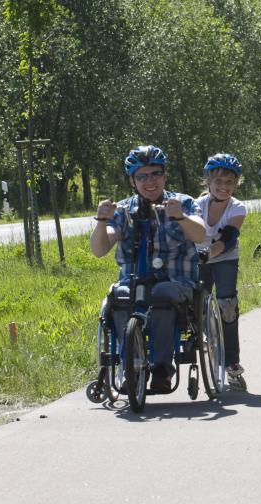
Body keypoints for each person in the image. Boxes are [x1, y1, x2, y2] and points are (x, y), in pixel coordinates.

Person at [91, 146, 206, 393]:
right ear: (133, 181)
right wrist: (102, 222)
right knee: (120, 296)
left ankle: (161, 370)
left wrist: (181, 218)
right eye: (141, 176)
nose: (149, 181)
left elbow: (200, 234)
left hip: (176, 281)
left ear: (164, 175)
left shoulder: (182, 202)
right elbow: (100, 248)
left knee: (161, 294)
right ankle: (130, 366)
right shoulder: (122, 210)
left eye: (155, 174)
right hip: (134, 280)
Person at [196, 154, 248, 390]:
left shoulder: (237, 207)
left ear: (236, 184)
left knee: (227, 305)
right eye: (218, 181)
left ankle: (231, 363)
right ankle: (204, 339)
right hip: (197, 258)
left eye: (229, 182)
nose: (224, 187)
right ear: (208, 180)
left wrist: (209, 253)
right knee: (194, 302)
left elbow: (227, 238)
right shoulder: (197, 205)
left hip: (224, 256)